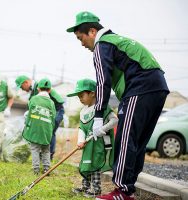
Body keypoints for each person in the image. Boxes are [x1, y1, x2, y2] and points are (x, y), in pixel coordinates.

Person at [67, 11, 169, 199]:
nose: (82, 44)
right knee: (136, 142)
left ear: (91, 31)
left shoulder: (102, 44)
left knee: (124, 139)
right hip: (158, 87)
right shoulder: (117, 40)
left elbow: (103, 81)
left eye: (81, 38)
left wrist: (98, 116)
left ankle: (121, 191)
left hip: (139, 87)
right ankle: (127, 190)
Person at [67, 79, 118, 197]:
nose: (80, 98)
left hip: (98, 144)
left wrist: (102, 129)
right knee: (86, 164)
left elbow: (115, 120)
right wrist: (80, 140)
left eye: (82, 95)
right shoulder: (83, 111)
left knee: (95, 165)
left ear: (92, 93)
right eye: (78, 96)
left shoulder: (102, 107)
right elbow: (82, 128)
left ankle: (96, 190)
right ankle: (85, 187)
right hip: (87, 145)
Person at [15, 75, 64, 160]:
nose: (22, 89)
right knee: (42, 131)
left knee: (49, 132)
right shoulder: (33, 90)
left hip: (57, 110)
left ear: (25, 82)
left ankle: (48, 157)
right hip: (48, 111)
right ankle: (43, 156)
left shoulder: (39, 86)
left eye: (21, 87)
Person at [22, 78, 56, 175]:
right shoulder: (51, 103)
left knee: (35, 149)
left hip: (35, 130)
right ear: (49, 90)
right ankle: (46, 169)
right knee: (46, 150)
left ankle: (36, 170)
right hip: (46, 130)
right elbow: (53, 117)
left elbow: (29, 112)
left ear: (38, 89)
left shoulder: (33, 99)